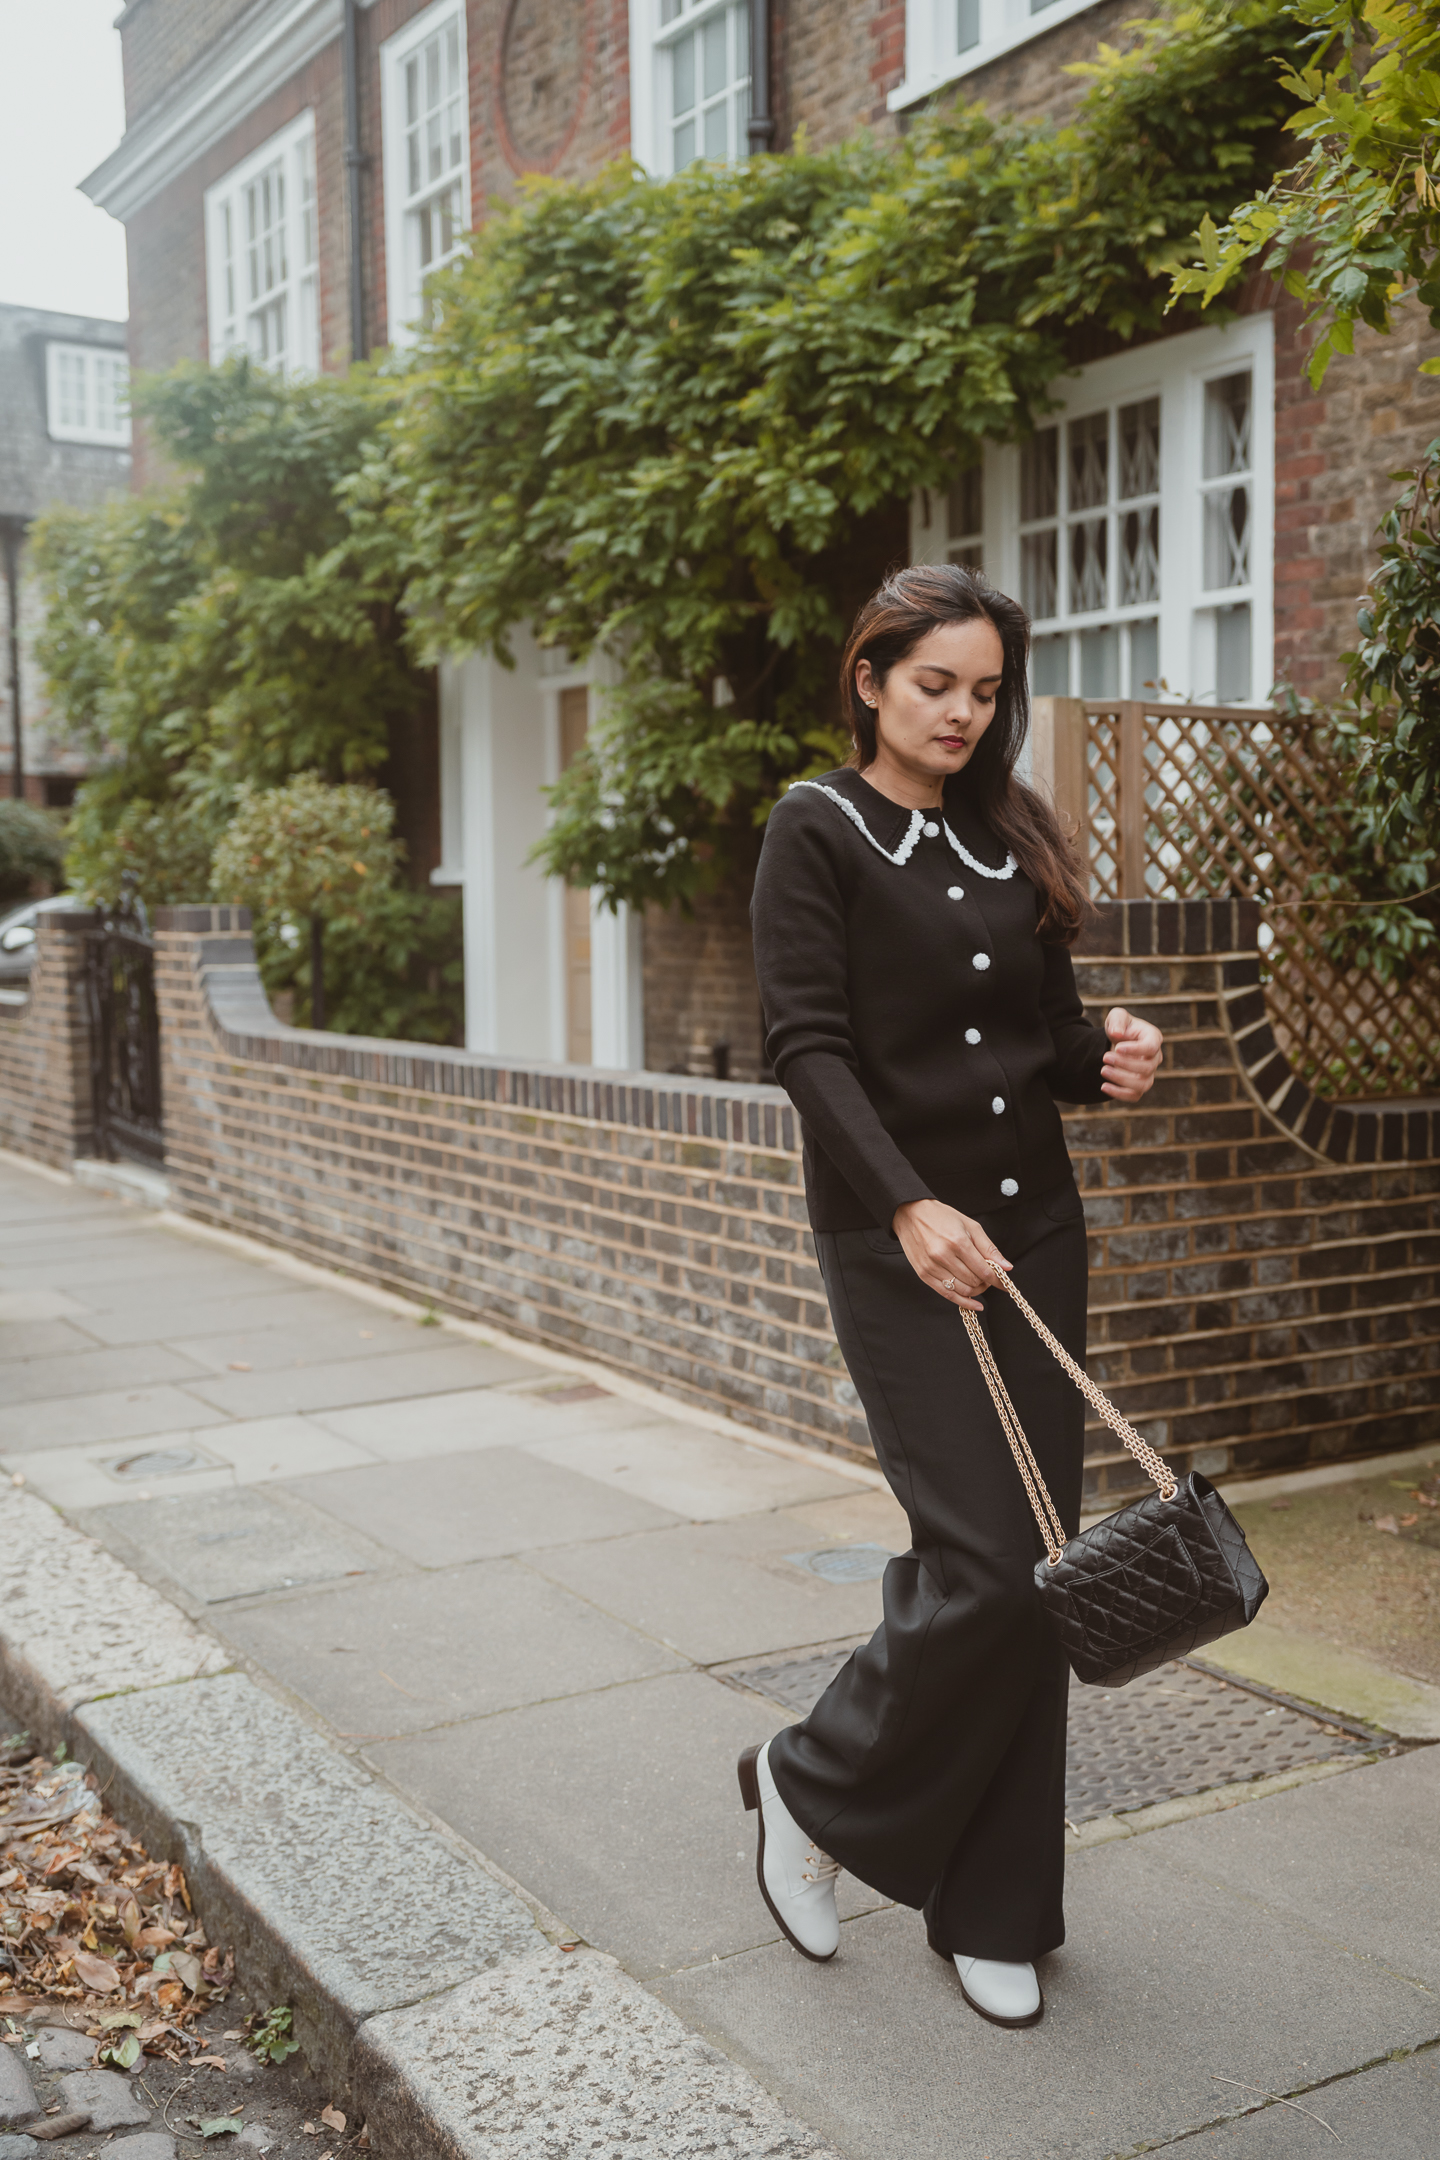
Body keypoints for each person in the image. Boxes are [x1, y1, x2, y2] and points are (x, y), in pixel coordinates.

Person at [738, 562, 1163, 2028]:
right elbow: (808, 1048)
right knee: (980, 1564)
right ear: (870, 678)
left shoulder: (1009, 835)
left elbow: (1038, 1042)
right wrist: (906, 1203)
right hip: (902, 1250)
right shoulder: (818, 829)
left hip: (1036, 1239)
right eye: (936, 685)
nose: (964, 715)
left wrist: (1105, 1049)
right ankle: (808, 1786)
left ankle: (996, 1907)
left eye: (987, 692)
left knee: (1036, 1579)